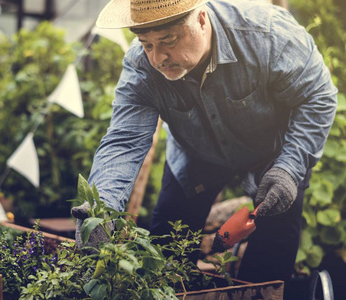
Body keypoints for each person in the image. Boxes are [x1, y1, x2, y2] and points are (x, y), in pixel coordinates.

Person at [71, 0, 337, 289]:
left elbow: (318, 98)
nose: (157, 58)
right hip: (194, 153)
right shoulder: (141, 68)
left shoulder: (268, 35)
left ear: (200, 19)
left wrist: (290, 167)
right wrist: (101, 211)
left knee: (270, 261)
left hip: (274, 153)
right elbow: (124, 140)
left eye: (167, 40)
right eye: (146, 44)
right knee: (167, 252)